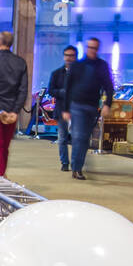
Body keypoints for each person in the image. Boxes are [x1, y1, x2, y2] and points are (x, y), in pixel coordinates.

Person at [62, 36, 113, 180]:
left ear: (98, 49)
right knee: (78, 136)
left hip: (92, 107)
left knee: (85, 139)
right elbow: (68, 88)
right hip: (77, 106)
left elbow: (109, 87)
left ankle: (78, 166)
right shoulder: (77, 65)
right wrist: (66, 109)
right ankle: (76, 168)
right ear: (86, 48)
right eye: (90, 47)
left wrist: (107, 104)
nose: (92, 50)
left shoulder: (101, 65)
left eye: (95, 48)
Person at [0, 31, 28, 178]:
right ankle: (2, 174)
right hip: (12, 111)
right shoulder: (21, 62)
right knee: (5, 146)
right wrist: (15, 111)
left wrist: (0, 109)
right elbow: (23, 90)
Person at [47, 45, 77, 171]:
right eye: (67, 55)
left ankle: (77, 164)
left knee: (78, 139)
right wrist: (63, 92)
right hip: (61, 110)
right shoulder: (56, 73)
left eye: (71, 56)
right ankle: (64, 163)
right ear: (64, 56)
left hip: (77, 110)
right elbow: (51, 90)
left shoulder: (81, 74)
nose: (69, 58)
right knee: (63, 138)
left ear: (75, 57)